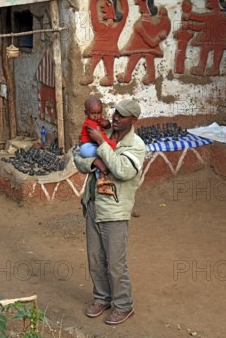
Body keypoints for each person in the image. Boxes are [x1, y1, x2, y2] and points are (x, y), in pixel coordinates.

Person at [72, 99, 145, 325]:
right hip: (93, 204)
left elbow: (122, 171)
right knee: (95, 258)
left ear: (133, 120)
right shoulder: (103, 130)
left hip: (114, 212)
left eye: (121, 116)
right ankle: (102, 298)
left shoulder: (136, 145)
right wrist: (94, 161)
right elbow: (78, 157)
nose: (115, 117)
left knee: (115, 263)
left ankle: (124, 305)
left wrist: (100, 145)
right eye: (115, 113)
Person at [78, 97, 116, 182]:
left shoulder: (98, 119)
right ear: (86, 113)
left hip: (92, 145)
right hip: (86, 148)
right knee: (103, 153)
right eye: (93, 113)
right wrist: (111, 144)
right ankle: (101, 178)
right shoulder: (90, 123)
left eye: (99, 113)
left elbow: (107, 126)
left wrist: (107, 123)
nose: (96, 116)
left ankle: (101, 177)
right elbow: (101, 137)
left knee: (103, 153)